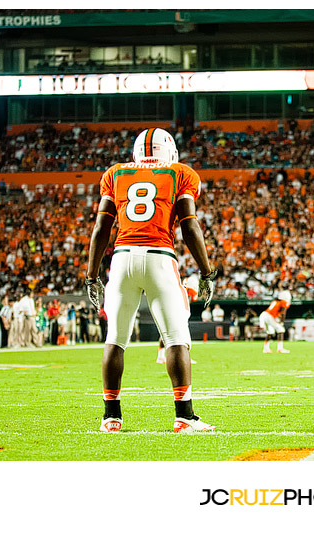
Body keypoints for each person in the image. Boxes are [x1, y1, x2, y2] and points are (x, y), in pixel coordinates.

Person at [86, 127, 217, 434]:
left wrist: (91, 275)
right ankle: (184, 416)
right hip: (160, 256)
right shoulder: (181, 173)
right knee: (176, 339)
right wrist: (207, 270)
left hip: (121, 258)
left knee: (115, 339)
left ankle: (110, 417)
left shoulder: (115, 173)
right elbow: (189, 225)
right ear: (169, 151)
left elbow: (101, 228)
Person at [157, 275, 199, 365]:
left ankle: (160, 356)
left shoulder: (178, 290)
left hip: (170, 311)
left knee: (166, 333)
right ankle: (185, 358)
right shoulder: (183, 292)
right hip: (177, 313)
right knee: (182, 335)